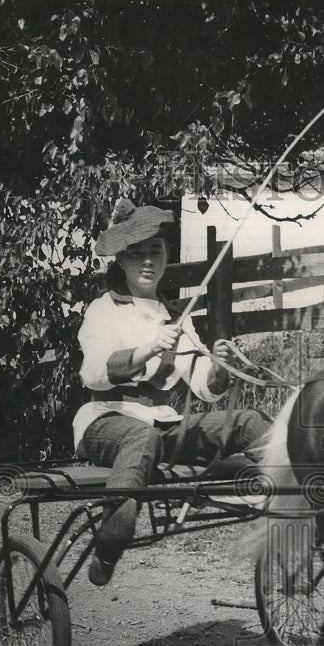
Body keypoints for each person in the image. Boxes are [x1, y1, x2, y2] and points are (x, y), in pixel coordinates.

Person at [74, 198, 269, 586]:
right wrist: (148, 348)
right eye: (137, 254)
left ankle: (298, 489)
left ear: (166, 258)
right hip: (106, 423)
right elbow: (94, 373)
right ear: (122, 262)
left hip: (163, 429)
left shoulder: (176, 316)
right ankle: (112, 536)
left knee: (248, 422)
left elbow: (203, 386)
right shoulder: (104, 309)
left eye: (156, 252)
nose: (148, 262)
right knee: (142, 436)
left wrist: (218, 366)